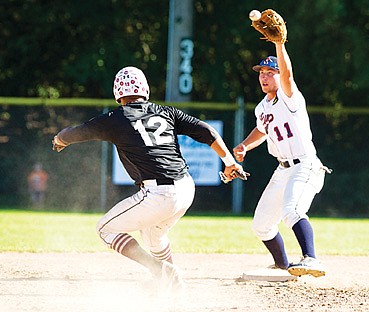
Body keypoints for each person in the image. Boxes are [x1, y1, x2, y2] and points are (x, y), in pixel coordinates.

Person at [52, 66, 245, 290]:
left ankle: (159, 270)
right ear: (145, 89)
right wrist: (230, 162)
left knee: (105, 229)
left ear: (118, 93)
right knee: (153, 236)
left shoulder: (115, 118)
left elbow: (73, 133)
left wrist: (59, 139)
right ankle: (170, 282)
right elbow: (206, 131)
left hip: (158, 193)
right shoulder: (166, 112)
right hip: (186, 188)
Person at [233, 42, 331, 277]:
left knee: (292, 210)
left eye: (270, 73)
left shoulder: (291, 98)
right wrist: (245, 145)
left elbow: (287, 74)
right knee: (261, 226)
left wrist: (279, 43)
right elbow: (261, 130)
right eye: (262, 73)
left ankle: (311, 259)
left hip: (305, 165)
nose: (264, 77)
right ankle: (282, 265)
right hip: (283, 169)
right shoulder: (262, 107)